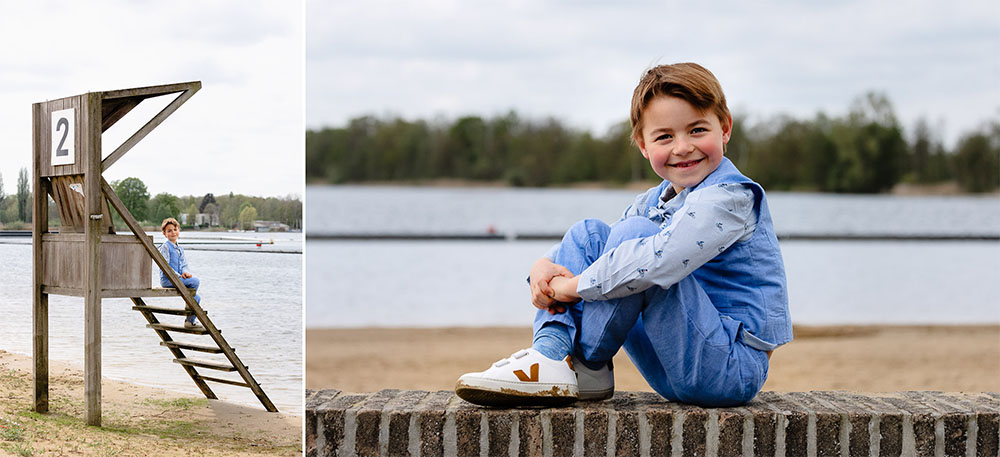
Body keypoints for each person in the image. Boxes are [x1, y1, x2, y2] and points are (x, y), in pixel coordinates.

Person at [456, 63, 792, 408]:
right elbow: (602, 246)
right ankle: (553, 353)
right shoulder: (654, 200)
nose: (682, 147)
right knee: (589, 234)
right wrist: (545, 265)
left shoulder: (731, 197)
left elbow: (656, 261)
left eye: (697, 130)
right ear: (643, 146)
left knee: (635, 241)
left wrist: (570, 287)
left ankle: (583, 362)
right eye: (664, 136)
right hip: (670, 362)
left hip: (728, 369)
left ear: (724, 128)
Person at [158, 217, 204, 329]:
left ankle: (189, 322)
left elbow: (184, 264)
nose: (173, 232)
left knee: (197, 298)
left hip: (178, 279)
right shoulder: (165, 247)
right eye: (169, 231)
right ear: (164, 233)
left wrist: (186, 273)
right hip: (168, 279)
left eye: (175, 229)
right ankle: (189, 300)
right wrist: (179, 275)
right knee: (195, 282)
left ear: (179, 230)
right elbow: (165, 266)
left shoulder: (180, 248)